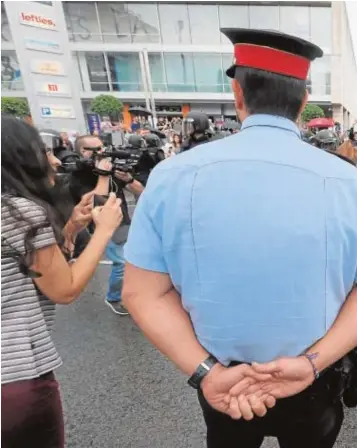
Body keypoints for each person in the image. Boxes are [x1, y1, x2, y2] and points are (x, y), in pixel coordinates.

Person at [122, 28, 357, 448]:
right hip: (313, 377)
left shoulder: (172, 176)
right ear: (303, 101)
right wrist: (311, 365)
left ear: (237, 93)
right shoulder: (348, 183)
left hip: (223, 380)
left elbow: (143, 293)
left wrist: (206, 373)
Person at [1, 115, 123, 448]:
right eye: (43, 152)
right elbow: (64, 289)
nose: (55, 160)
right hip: (16, 377)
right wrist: (105, 231)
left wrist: (71, 229)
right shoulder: (22, 212)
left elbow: (31, 270)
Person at [72, 134, 145, 316]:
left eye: (103, 148)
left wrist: (128, 179)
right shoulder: (79, 175)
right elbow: (94, 203)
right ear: (83, 151)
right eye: (96, 149)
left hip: (124, 222)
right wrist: (102, 174)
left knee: (133, 261)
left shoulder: (110, 169)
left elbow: (142, 191)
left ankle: (129, 293)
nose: (103, 153)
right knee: (121, 262)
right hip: (102, 227)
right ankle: (114, 297)